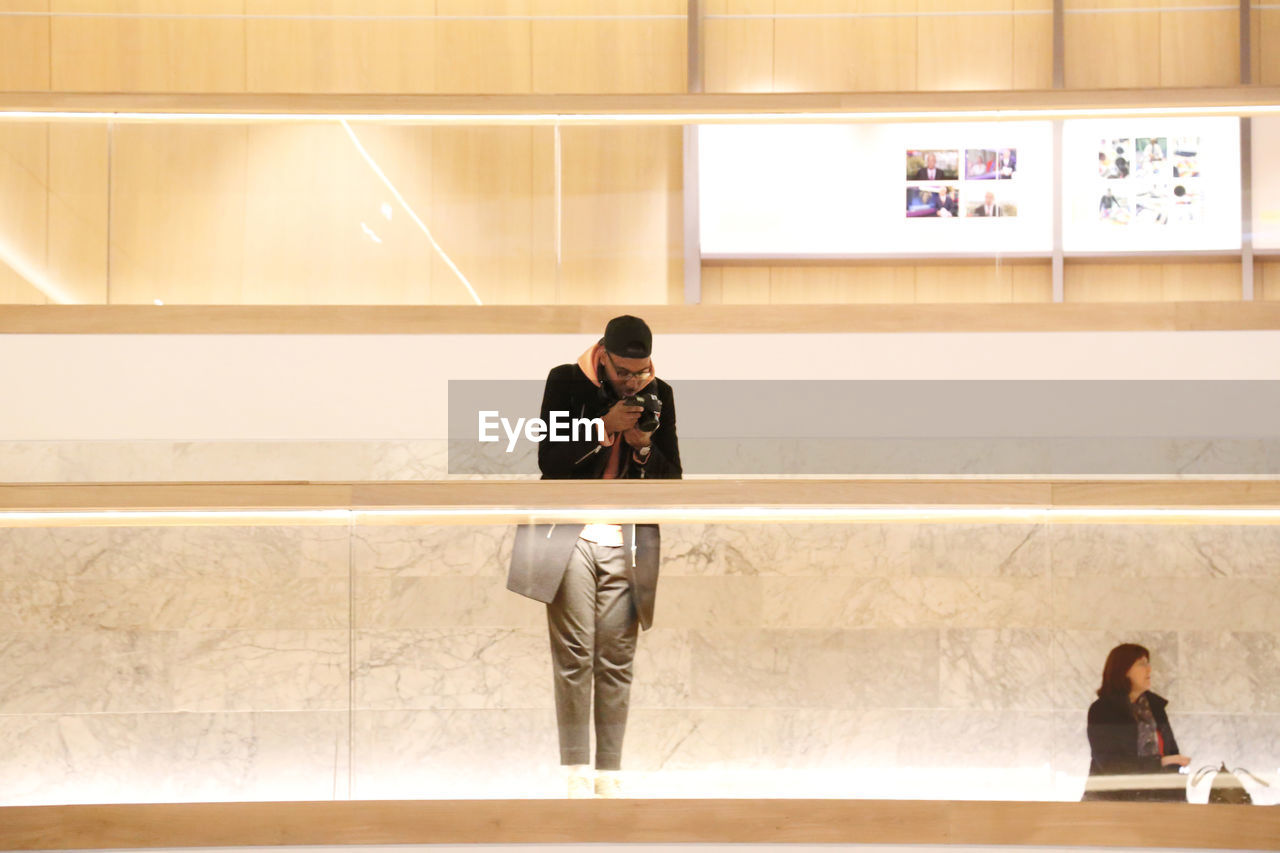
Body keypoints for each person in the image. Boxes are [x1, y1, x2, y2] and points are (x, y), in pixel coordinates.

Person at [506, 315, 681, 799]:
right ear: (602, 356)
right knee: (575, 655)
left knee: (618, 658)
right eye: (624, 372)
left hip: (628, 537)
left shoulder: (660, 393)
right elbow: (549, 460)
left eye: (641, 372)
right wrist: (603, 428)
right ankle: (575, 772)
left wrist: (643, 448)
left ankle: (610, 773)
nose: (632, 381)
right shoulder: (565, 381)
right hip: (570, 534)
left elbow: (673, 483)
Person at [1083, 643, 1191, 802]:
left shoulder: (1155, 707)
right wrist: (1160, 762)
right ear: (1123, 670)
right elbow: (1110, 764)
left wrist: (1177, 798)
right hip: (1112, 802)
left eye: (1148, 663)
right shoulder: (1103, 710)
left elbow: (1171, 753)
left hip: (1159, 801)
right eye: (1142, 664)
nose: (1149, 669)